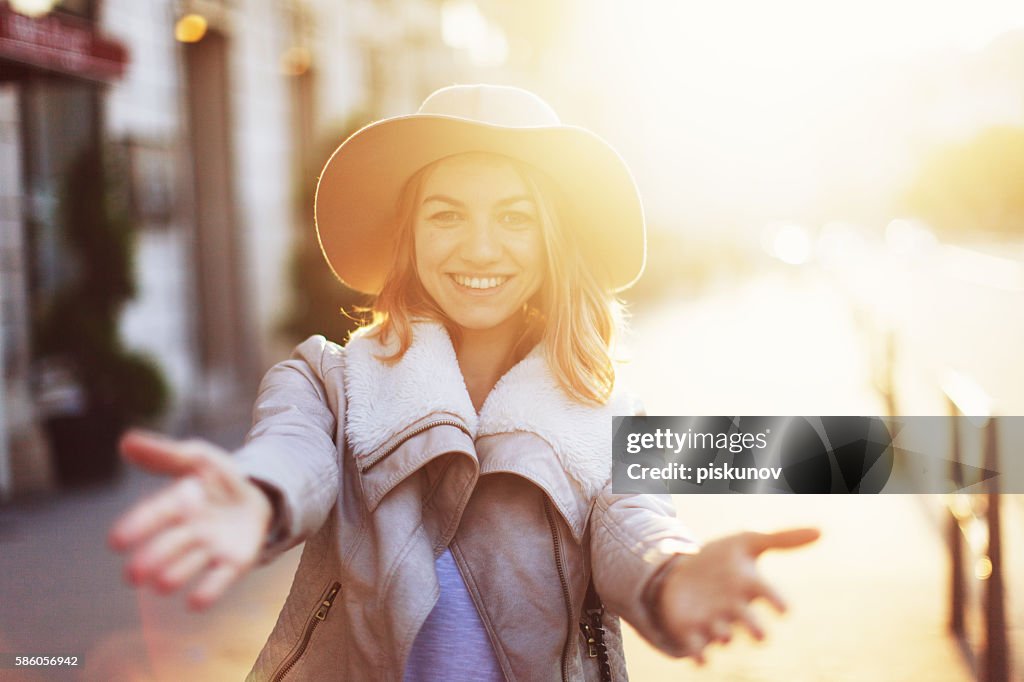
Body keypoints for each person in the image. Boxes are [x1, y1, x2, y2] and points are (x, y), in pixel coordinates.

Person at [108, 84, 819, 681]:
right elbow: (291, 453)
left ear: (552, 240)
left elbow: (637, 524)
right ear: (407, 235)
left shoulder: (608, 409)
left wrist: (671, 576)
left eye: (515, 218)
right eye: (446, 214)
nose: (480, 248)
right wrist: (258, 497)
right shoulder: (330, 380)